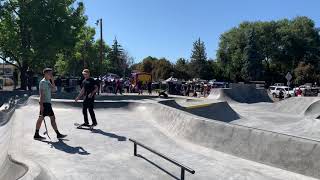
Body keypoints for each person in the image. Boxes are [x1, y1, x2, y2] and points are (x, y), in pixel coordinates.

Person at [34, 68, 67, 140]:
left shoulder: (48, 81)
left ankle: (37, 134)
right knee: (45, 118)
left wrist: (52, 80)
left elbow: (54, 90)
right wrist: (41, 105)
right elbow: (41, 94)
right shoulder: (43, 82)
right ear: (45, 74)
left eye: (51, 73)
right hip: (45, 103)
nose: (51, 75)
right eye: (50, 73)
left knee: (45, 118)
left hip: (48, 103)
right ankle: (57, 134)